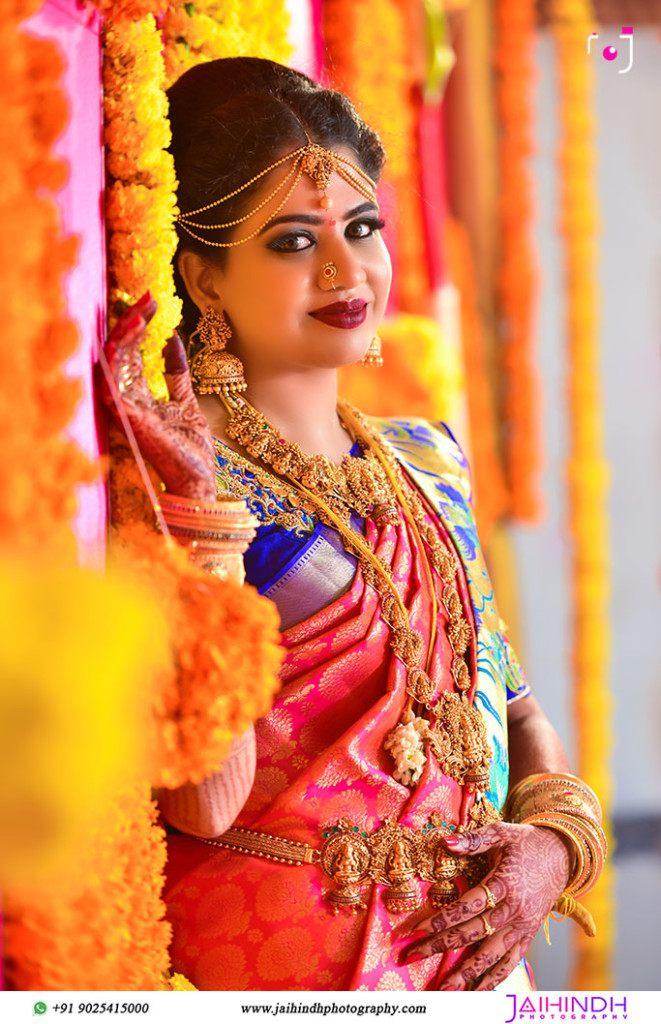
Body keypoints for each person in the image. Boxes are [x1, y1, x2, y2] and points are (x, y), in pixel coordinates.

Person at [102, 57, 605, 992]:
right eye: (293, 242)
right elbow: (205, 804)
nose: (346, 270)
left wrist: (552, 844)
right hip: (285, 973)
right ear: (204, 277)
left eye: (361, 227)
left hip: (474, 974)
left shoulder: (427, 462)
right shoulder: (173, 489)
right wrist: (198, 513)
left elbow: (515, 706)